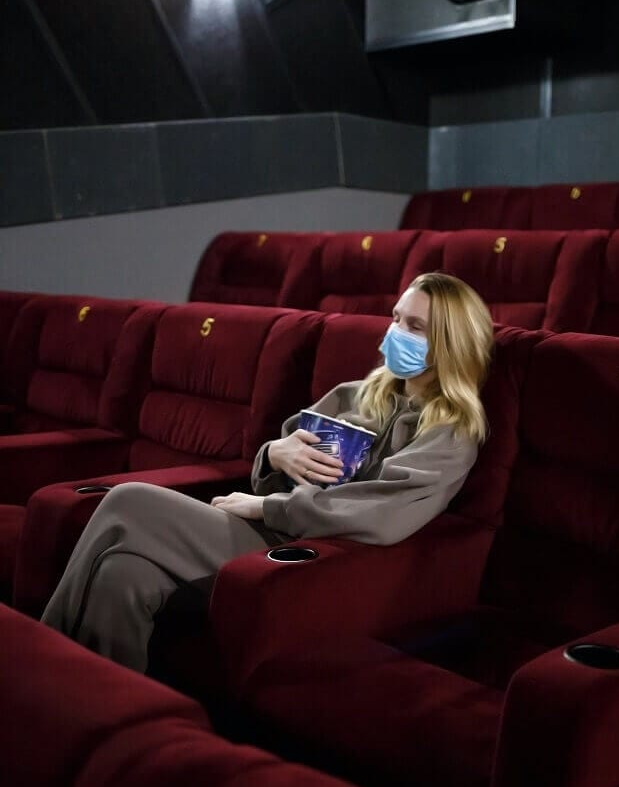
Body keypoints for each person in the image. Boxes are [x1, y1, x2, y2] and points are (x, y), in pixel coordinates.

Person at [41, 273, 495, 672]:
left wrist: (264, 505)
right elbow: (278, 463)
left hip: (312, 557)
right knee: (122, 575)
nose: (396, 332)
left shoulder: (452, 430)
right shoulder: (356, 394)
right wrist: (275, 456)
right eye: (396, 318)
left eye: (415, 327)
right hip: (271, 530)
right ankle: (102, 720)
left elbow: (380, 514)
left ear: (450, 344)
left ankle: (37, 666)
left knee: (127, 501)